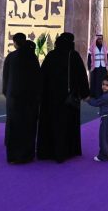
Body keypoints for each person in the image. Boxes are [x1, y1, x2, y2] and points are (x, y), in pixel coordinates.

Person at [36, 32, 90, 163]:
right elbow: (81, 76)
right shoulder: (73, 56)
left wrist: (40, 95)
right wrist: (85, 94)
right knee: (66, 125)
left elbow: (42, 76)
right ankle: (65, 151)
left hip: (50, 98)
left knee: (51, 123)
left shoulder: (51, 55)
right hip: (68, 99)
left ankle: (48, 151)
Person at [2, 32, 42, 164]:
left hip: (14, 98)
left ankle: (13, 156)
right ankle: (26, 155)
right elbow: (37, 78)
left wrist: (7, 93)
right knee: (28, 126)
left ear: (14, 43)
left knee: (14, 126)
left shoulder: (11, 57)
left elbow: (6, 78)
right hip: (29, 100)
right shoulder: (32, 57)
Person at [86, 74, 108, 162]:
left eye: (107, 85)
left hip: (106, 119)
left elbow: (96, 103)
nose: (104, 87)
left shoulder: (105, 96)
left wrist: (88, 99)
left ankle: (102, 156)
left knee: (103, 137)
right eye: (103, 84)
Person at [87, 34, 108, 98]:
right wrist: (89, 66)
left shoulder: (105, 47)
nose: (100, 40)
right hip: (95, 67)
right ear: (96, 39)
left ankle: (103, 95)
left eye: (101, 39)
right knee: (96, 81)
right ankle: (95, 95)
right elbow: (89, 58)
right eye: (99, 39)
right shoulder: (92, 47)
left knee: (103, 81)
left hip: (103, 67)